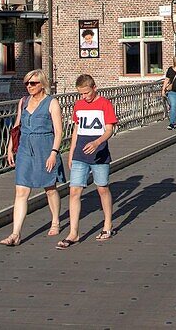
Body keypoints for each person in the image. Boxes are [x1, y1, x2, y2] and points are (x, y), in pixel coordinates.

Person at [1, 69, 65, 246]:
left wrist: (54, 153)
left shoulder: (52, 103)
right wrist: (10, 148)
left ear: (42, 84)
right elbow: (17, 126)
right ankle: (15, 233)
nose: (29, 86)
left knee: (49, 187)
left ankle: (55, 221)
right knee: (21, 191)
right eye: (27, 83)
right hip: (24, 148)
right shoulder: (23, 102)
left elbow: (59, 131)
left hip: (44, 145)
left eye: (33, 83)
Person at [58, 74, 119, 248]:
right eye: (81, 94)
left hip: (99, 153)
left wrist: (97, 142)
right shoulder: (78, 105)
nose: (84, 97)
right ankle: (73, 232)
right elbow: (76, 129)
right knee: (74, 191)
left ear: (94, 88)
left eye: (86, 93)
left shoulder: (105, 104)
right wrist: (71, 153)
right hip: (80, 154)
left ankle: (108, 224)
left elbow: (109, 130)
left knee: (102, 189)